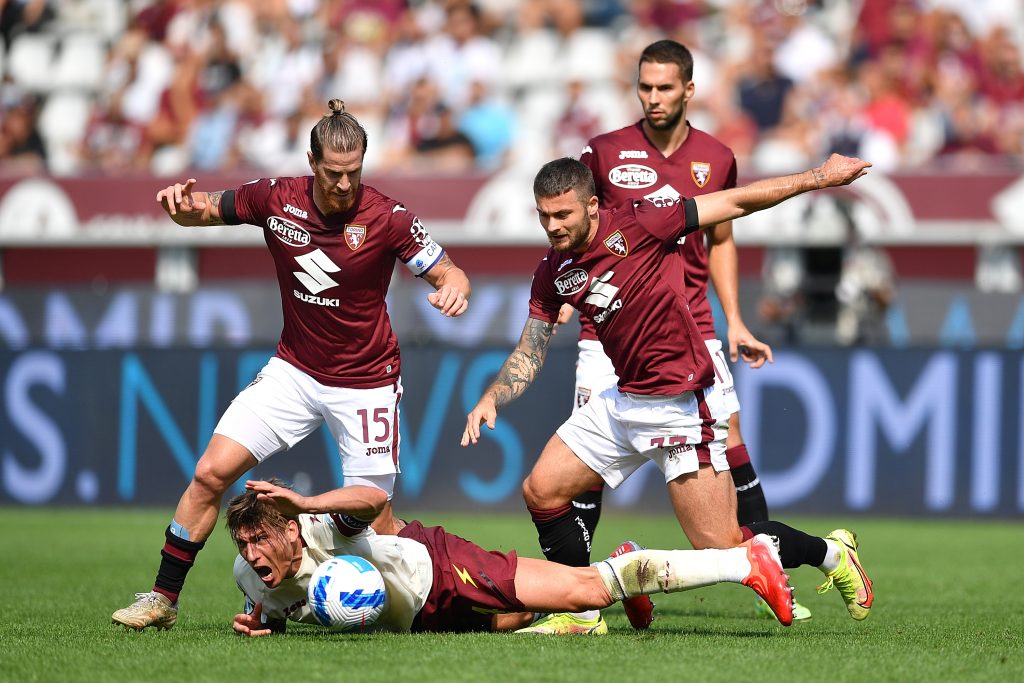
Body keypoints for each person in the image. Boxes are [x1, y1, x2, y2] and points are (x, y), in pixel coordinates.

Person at [462, 153, 874, 634]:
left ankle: (831, 553)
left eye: (563, 215)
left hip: (679, 404)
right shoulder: (552, 271)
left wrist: (818, 178)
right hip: (624, 400)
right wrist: (493, 396)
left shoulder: (645, 221)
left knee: (724, 547)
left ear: (593, 206)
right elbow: (531, 348)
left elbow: (736, 202)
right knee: (542, 489)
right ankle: (580, 613)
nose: (552, 226)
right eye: (544, 216)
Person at [112, 99, 472, 632]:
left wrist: (453, 289)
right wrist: (182, 210)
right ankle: (163, 598)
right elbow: (208, 208)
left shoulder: (388, 217)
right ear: (311, 160)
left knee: (374, 517)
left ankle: (444, 595)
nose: (345, 185)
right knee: (210, 472)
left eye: (354, 173)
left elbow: (449, 271)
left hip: (366, 382)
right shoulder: (275, 198)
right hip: (295, 371)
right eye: (333, 173)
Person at [561, 38, 808, 627]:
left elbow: (721, 239)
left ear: (689, 89)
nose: (653, 98)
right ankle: (577, 592)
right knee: (580, 466)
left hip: (693, 329)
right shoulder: (604, 150)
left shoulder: (716, 156)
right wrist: (571, 297)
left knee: (732, 453)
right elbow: (580, 231)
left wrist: (736, 319)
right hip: (609, 331)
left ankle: (767, 573)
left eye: (665, 87)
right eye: (644, 86)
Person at [227, 479, 796, 635]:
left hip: (439, 568)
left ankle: (743, 561)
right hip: (419, 620)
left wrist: (305, 500)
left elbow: (375, 498)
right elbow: (279, 605)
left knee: (586, 593)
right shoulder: (250, 579)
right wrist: (264, 628)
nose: (252, 556)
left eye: (261, 540)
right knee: (523, 618)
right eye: (245, 545)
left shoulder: (324, 526)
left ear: (292, 530)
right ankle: (631, 568)